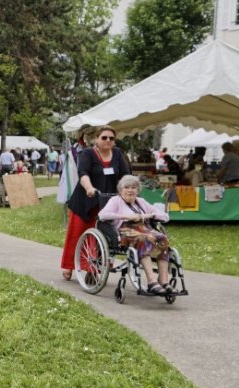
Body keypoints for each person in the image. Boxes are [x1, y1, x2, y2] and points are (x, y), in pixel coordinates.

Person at [60, 126, 130, 281]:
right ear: (96, 139)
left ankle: (94, 266)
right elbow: (82, 173)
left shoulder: (117, 154)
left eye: (111, 138)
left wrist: (128, 189)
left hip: (107, 202)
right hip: (86, 200)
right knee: (77, 234)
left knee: (103, 237)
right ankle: (69, 265)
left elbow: (126, 175)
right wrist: (89, 188)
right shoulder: (88, 153)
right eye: (104, 137)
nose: (108, 141)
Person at [98, 174, 173, 294]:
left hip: (145, 229)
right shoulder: (115, 200)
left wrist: (150, 215)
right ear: (120, 189)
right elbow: (102, 215)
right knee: (142, 238)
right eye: (126, 187)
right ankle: (152, 282)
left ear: (138, 190)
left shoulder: (141, 202)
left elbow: (165, 217)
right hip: (125, 230)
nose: (130, 190)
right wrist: (126, 216)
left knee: (162, 238)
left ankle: (164, 281)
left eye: (133, 187)